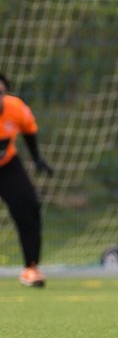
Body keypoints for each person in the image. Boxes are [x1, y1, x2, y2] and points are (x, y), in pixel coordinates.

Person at [0, 73, 55, 287]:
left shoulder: (16, 109)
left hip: (7, 166)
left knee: (29, 208)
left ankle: (31, 268)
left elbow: (29, 131)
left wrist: (37, 159)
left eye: (1, 93)